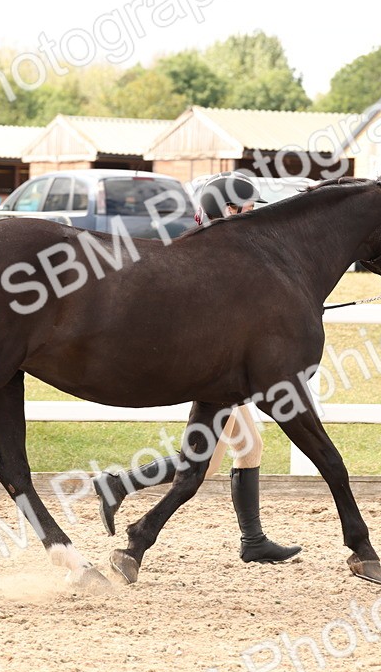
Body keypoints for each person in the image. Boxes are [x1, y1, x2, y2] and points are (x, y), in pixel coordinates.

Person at [94, 173, 302, 564]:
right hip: (219, 375)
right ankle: (119, 484)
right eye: (247, 210)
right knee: (211, 462)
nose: (252, 217)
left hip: (221, 371)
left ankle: (252, 539)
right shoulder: (216, 252)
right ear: (227, 210)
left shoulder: (218, 247)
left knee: (243, 450)